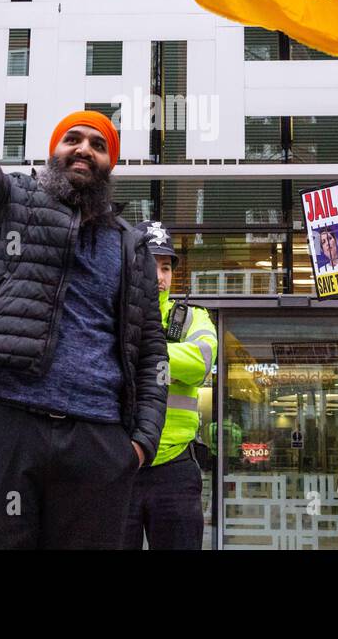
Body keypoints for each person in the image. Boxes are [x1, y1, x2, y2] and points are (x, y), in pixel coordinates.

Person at [0, 0, 168, 549]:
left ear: (113, 164)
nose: (84, 149)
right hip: (4, 423)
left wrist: (136, 442)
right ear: (52, 153)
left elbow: (150, 353)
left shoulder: (131, 245)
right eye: (73, 139)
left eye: (98, 144)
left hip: (98, 442)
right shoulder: (7, 201)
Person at [122, 222, 218, 550]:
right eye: (151, 265)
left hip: (175, 469)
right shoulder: (109, 316)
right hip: (121, 465)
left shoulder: (192, 319)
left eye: (166, 267)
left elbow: (201, 362)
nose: (160, 276)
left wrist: (138, 352)